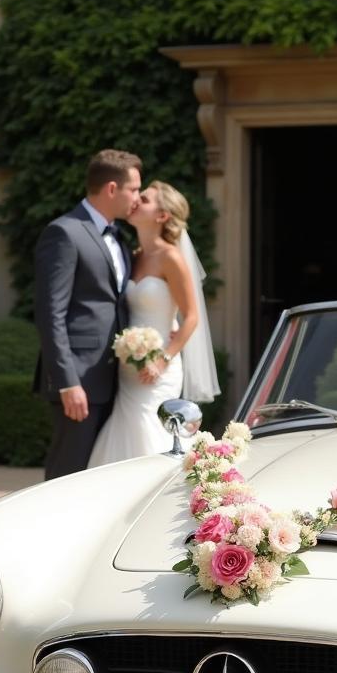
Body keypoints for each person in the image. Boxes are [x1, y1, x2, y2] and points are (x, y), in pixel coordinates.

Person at [87, 180, 220, 467]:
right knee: (125, 429)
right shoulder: (132, 256)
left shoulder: (171, 257)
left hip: (159, 367)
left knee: (150, 429)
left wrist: (163, 358)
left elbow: (192, 316)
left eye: (144, 199)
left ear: (162, 216)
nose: (136, 200)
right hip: (129, 368)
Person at [33, 149, 142, 480]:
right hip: (80, 380)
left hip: (117, 380)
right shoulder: (64, 232)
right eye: (134, 189)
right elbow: (51, 312)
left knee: (99, 475)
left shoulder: (120, 238)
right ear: (112, 188)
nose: (137, 197)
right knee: (68, 473)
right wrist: (68, 382)